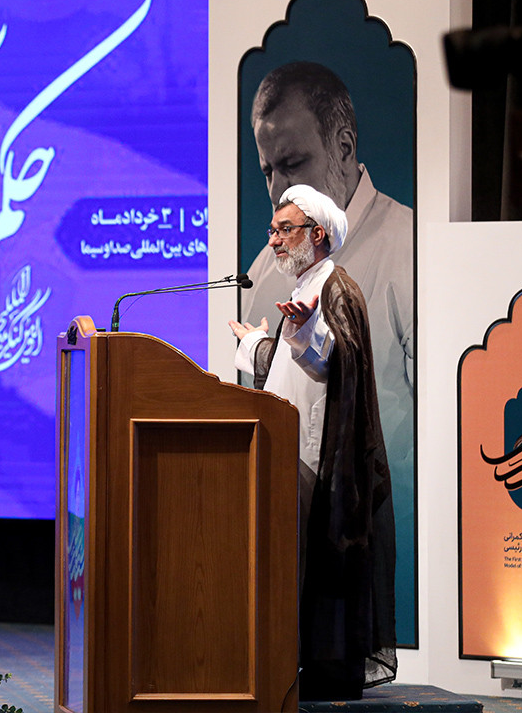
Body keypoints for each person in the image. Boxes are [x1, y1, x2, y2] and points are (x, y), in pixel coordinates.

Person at [228, 184, 396, 701]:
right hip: (291, 456)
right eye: (272, 230)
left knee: (319, 571)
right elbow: (289, 373)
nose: (274, 240)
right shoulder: (305, 288)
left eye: (285, 230)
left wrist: (306, 332)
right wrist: (256, 343)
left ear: (317, 233)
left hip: (320, 462)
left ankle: (322, 677)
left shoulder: (335, 288)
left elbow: (338, 362)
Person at [240, 63, 414, 553]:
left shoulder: (411, 249)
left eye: (293, 164)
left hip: (376, 526)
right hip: (285, 522)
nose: (278, 190)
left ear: (344, 147)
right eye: (268, 171)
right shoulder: (264, 272)